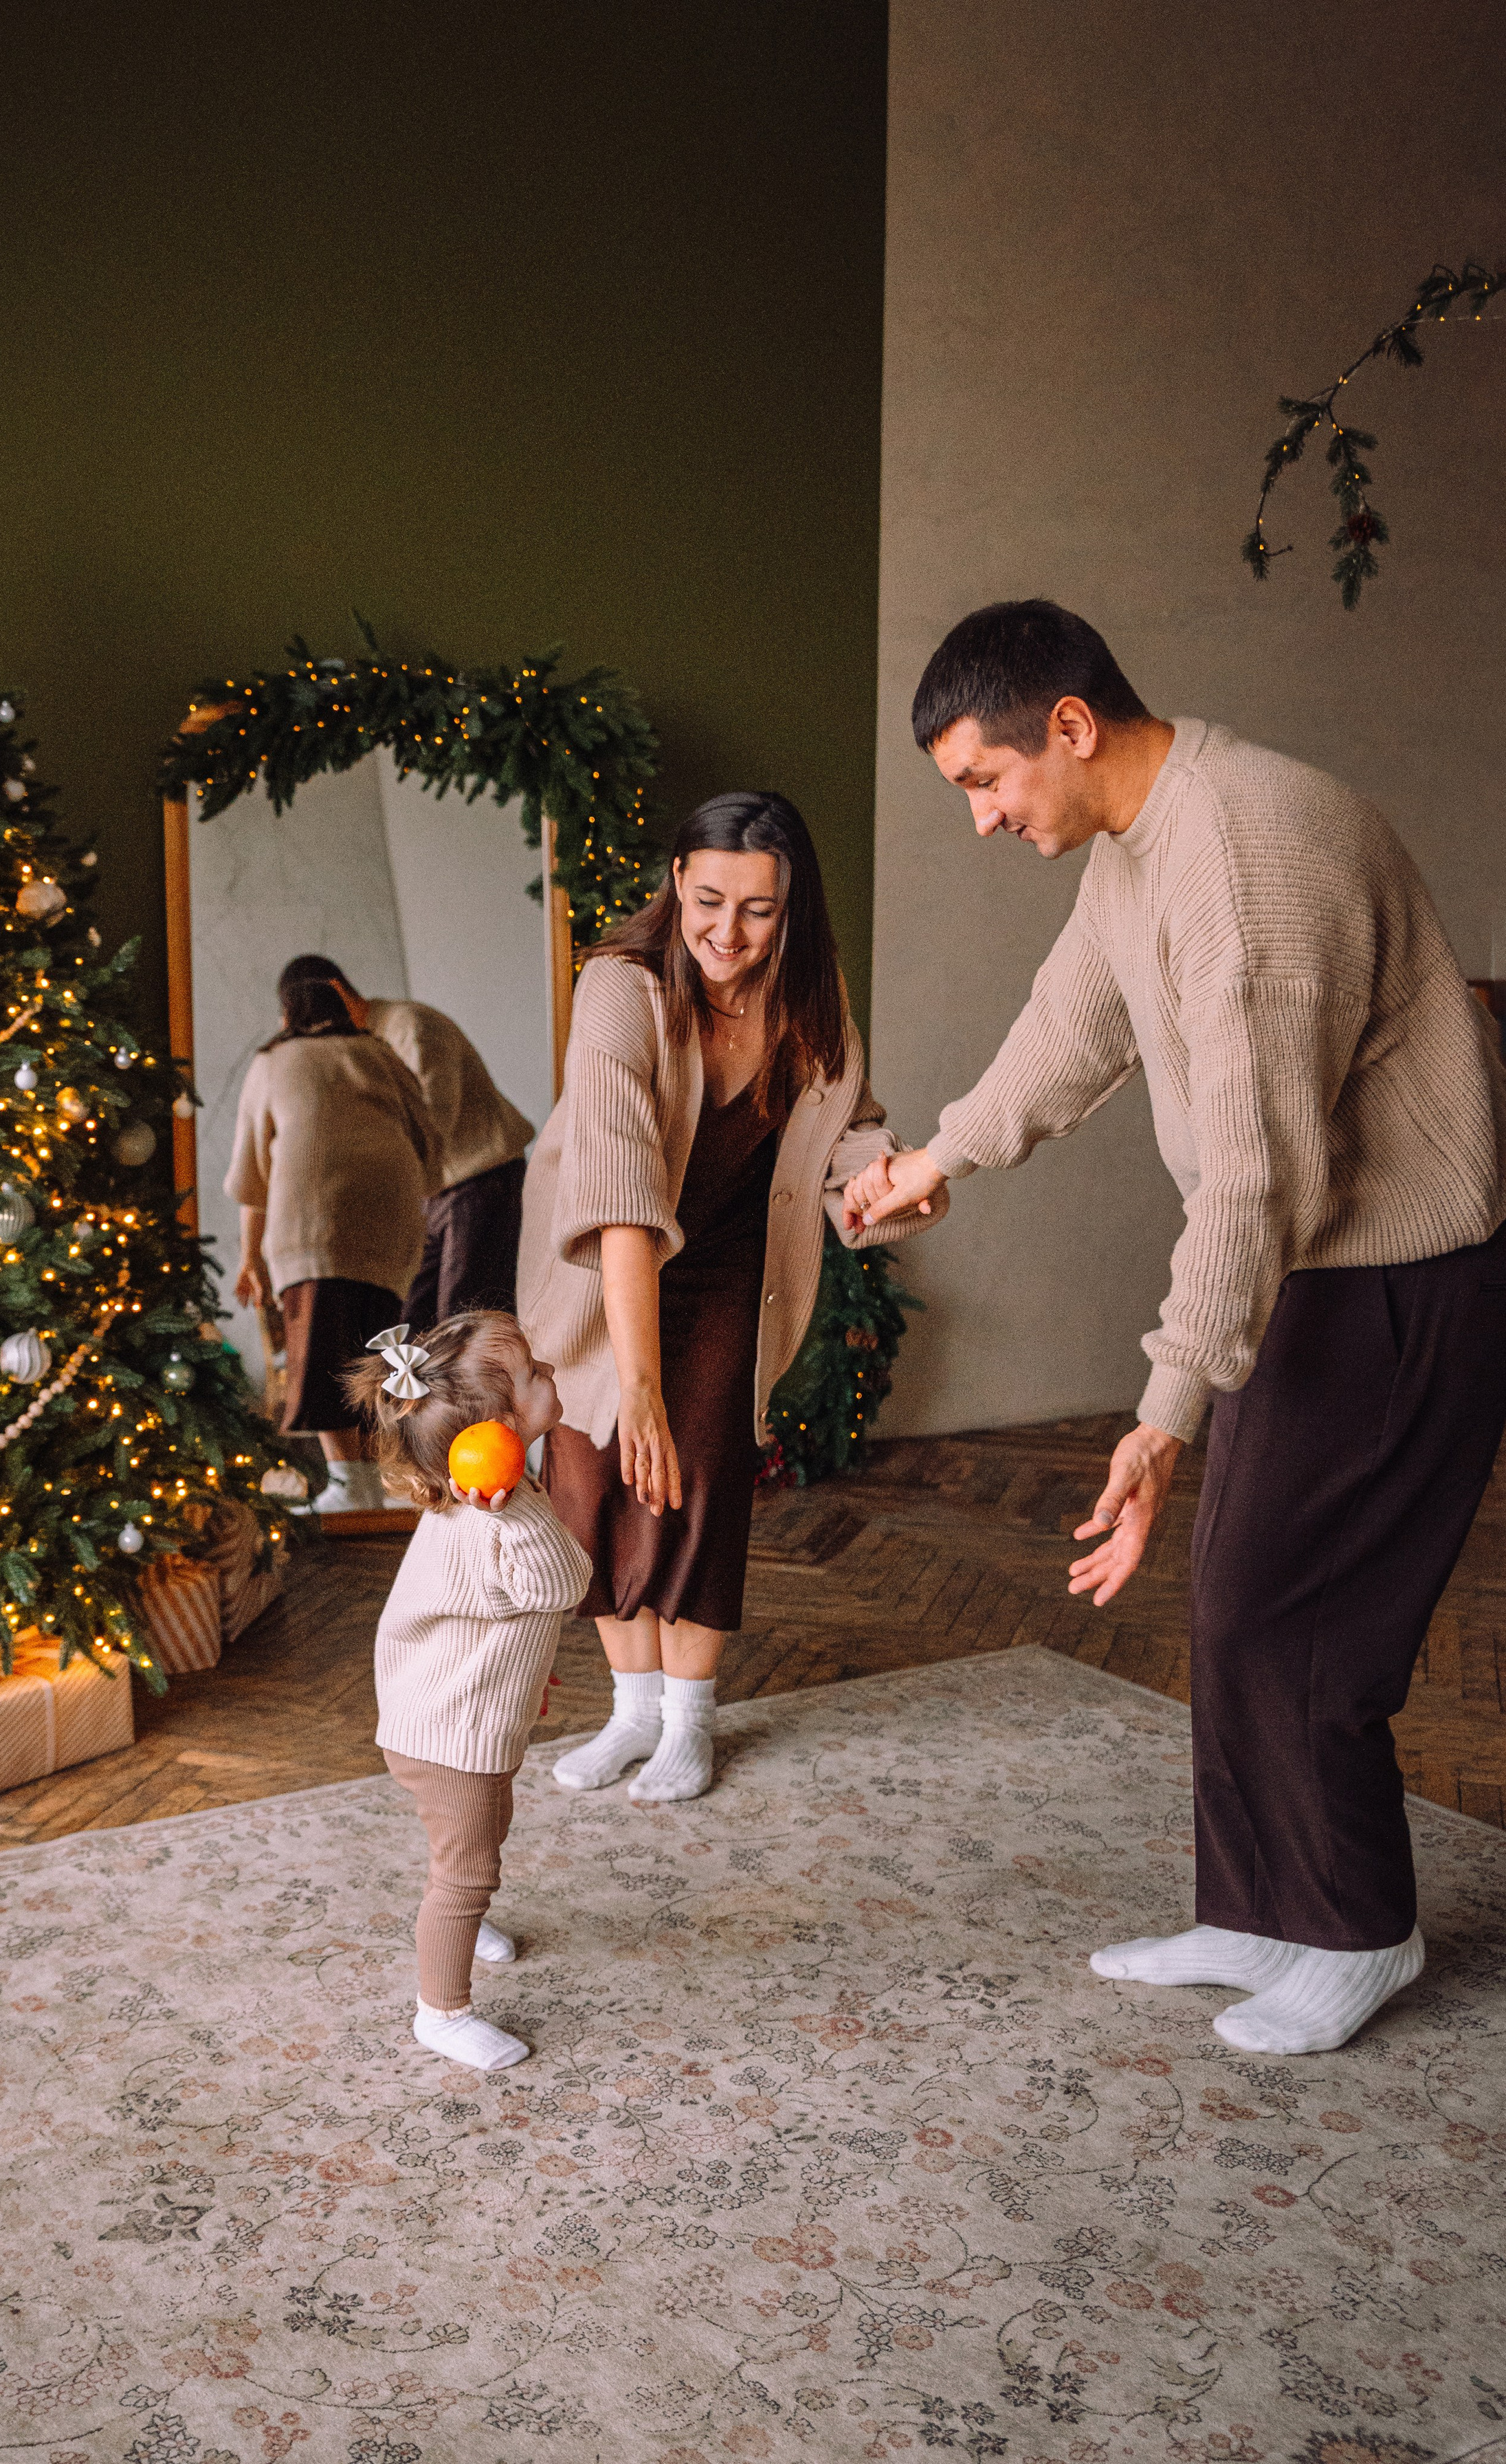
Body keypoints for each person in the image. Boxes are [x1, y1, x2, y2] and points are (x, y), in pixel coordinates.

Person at [845, 598, 1506, 2056]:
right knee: (1232, 1592)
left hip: (1396, 1276)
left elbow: (1253, 1178)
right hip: (1311, 1267)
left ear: (1067, 727)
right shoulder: (1139, 840)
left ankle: (1356, 1930)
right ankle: (1256, 1902)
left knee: (1299, 1606)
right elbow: (1071, 1021)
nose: (980, 816)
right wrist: (937, 1158)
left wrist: (1157, 1411)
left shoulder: (1250, 858)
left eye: (984, 780)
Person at [520, 790, 919, 1807]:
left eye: (757, 910)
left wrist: (891, 1177)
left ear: (793, 908)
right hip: (601, 1262)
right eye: (707, 900)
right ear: (675, 885)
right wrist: (635, 1381)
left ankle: (688, 1723)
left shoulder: (813, 997)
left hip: (735, 1266)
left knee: (695, 1476)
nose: (726, 933)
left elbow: (851, 1126)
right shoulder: (622, 986)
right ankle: (632, 1713)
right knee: (593, 1478)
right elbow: (615, 1197)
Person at [348, 1311, 592, 2072]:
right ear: (492, 1434)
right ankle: (441, 2013)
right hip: (449, 1735)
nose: (549, 1372)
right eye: (532, 1377)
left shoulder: (477, 1498)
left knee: (478, 1835)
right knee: (468, 1866)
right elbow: (566, 1584)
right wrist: (518, 1515)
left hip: (442, 1714)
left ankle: (461, 1912)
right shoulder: (498, 1515)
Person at [225, 964, 441, 1513]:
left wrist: (250, 1257)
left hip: (313, 1223)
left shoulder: (274, 1061)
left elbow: (253, 1178)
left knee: (320, 1350)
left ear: (286, 1012)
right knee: (381, 1347)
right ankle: (380, 1483)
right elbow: (430, 1145)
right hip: (392, 1227)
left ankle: (350, 1483)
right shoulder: (382, 1055)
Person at [294, 957, 537, 1327]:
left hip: (480, 1184)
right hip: (431, 1195)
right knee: (410, 1323)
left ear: (338, 991)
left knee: (463, 1325)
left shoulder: (410, 1027)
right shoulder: (362, 1045)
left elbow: (432, 1123)